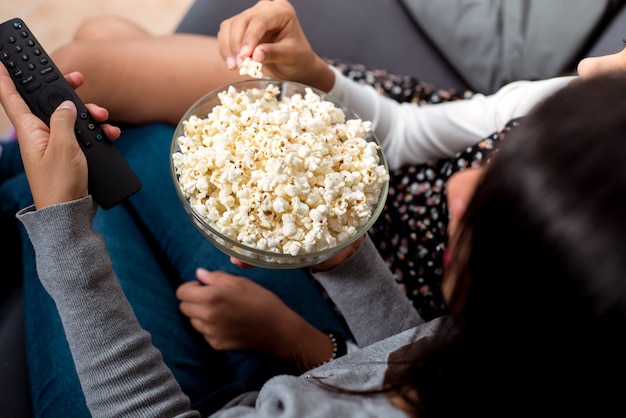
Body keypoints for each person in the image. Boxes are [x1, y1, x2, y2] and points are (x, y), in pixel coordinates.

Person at [0, 2, 599, 415]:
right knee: (114, 81)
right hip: (351, 278)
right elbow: (405, 357)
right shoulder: (483, 342)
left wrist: (63, 226)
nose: (462, 185)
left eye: (498, 202)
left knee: (87, 143)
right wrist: (347, 263)